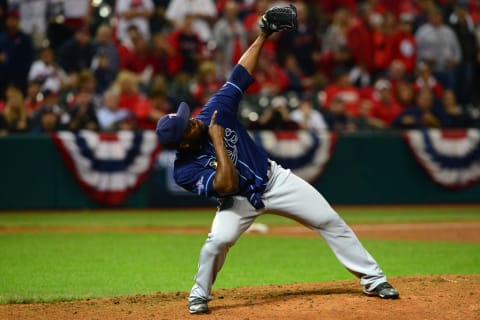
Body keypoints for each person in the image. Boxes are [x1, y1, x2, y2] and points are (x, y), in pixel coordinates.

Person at [155, 4, 399, 315]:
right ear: (183, 142)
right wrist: (217, 142)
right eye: (188, 125)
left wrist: (262, 37)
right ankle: (199, 294)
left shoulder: (214, 111)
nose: (195, 121)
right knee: (217, 241)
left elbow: (239, 75)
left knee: (329, 220)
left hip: (274, 179)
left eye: (188, 117)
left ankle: (374, 279)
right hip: (237, 200)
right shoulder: (185, 170)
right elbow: (226, 184)